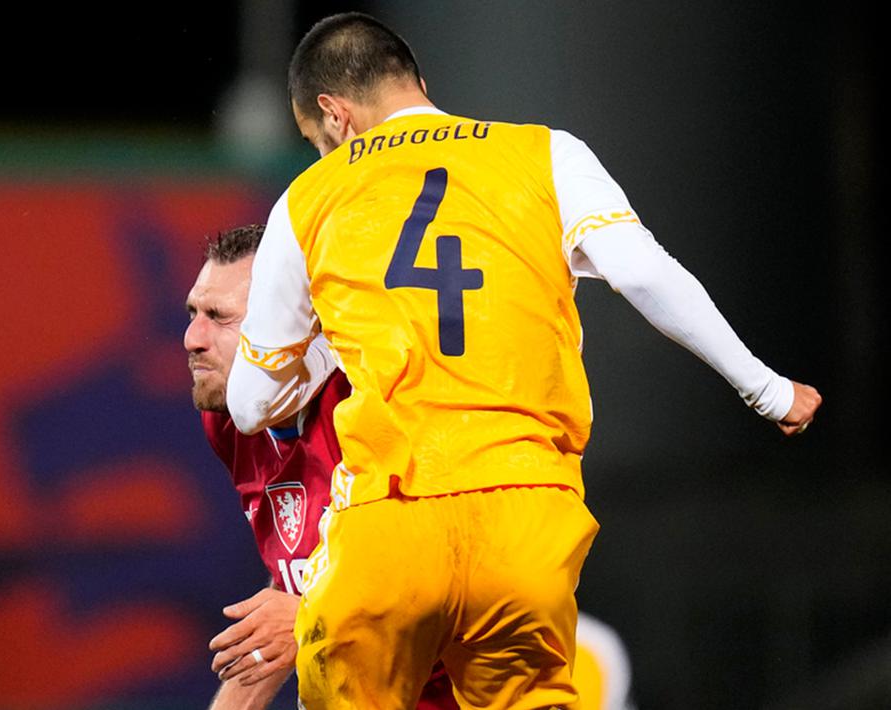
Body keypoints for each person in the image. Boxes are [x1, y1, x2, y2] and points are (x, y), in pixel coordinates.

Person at [225, 12, 821, 710]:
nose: (320, 151)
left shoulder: (308, 199)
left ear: (334, 113)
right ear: (418, 83)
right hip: (525, 518)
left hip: (388, 522)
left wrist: (332, 340)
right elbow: (645, 276)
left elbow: (247, 403)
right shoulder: (547, 154)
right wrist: (767, 390)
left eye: (313, 139)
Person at [185, 225, 459, 709]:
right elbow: (296, 583)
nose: (192, 338)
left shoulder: (373, 407)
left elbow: (453, 571)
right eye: (193, 313)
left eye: (218, 317)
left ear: (288, 330)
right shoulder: (228, 424)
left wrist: (310, 615)